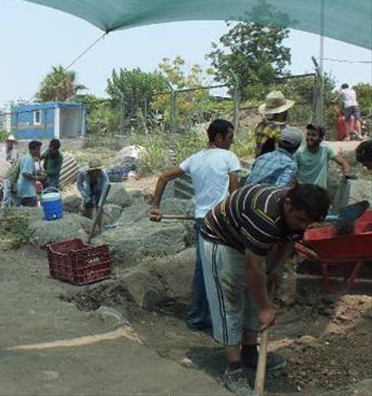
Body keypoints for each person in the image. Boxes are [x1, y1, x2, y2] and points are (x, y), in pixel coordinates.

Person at [200, 184, 330, 394]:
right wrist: (265, 309)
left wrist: (278, 267)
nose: (303, 225)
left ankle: (250, 352)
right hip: (222, 240)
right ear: (288, 204)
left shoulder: (299, 213)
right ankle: (234, 367)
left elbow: (291, 236)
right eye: (300, 220)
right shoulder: (265, 215)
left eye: (308, 222)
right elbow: (254, 267)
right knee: (229, 300)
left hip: (249, 242)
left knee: (256, 293)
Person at [150, 119, 240, 331]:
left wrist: (156, 206)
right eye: (230, 138)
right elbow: (235, 195)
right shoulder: (229, 157)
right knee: (226, 268)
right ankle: (221, 318)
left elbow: (163, 177)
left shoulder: (195, 159)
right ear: (219, 137)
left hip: (202, 221)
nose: (232, 142)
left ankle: (199, 317)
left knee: (204, 269)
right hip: (222, 221)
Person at [295, 124, 351, 189]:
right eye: (308, 134)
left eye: (313, 135)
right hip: (303, 192)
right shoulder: (299, 153)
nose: (309, 137)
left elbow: (343, 163)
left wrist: (346, 174)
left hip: (320, 192)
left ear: (321, 138)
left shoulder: (325, 149)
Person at [255, 91, 295, 157]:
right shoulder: (279, 129)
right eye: (286, 110)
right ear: (282, 112)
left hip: (259, 163)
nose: (287, 112)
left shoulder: (260, 126)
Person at [16, 140, 42, 207]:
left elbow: (37, 170)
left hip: (24, 189)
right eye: (38, 149)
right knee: (31, 209)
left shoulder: (26, 157)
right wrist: (37, 178)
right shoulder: (29, 159)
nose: (39, 151)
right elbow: (25, 174)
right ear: (32, 149)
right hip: (28, 191)